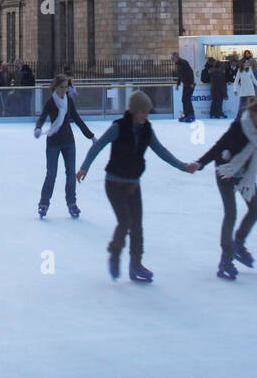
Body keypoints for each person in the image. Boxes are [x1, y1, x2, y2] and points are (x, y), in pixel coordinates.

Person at [77, 90, 193, 282]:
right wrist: (84, 167)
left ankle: (136, 264)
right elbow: (98, 146)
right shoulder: (119, 127)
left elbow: (161, 151)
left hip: (133, 185)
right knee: (125, 221)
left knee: (137, 225)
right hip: (114, 183)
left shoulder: (147, 129)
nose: (145, 116)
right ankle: (115, 253)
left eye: (147, 112)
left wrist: (182, 166)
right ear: (133, 110)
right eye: (142, 112)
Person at [189, 97, 257, 280]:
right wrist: (199, 163)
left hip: (245, 175)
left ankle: (238, 243)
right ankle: (226, 257)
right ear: (253, 114)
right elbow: (218, 147)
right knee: (231, 213)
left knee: (256, 210)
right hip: (226, 171)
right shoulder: (238, 127)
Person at [34, 75, 95, 219]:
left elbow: (77, 119)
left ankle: (72, 203)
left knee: (71, 174)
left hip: (68, 142)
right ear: (55, 87)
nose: (64, 90)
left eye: (66, 87)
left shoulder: (69, 102)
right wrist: (38, 128)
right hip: (53, 142)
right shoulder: (50, 103)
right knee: (51, 174)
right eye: (61, 87)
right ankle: (43, 204)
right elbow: (42, 117)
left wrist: (91, 136)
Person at [172, 52, 196, 123]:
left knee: (187, 99)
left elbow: (190, 72)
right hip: (186, 84)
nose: (172, 60)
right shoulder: (178, 65)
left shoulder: (183, 63)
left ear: (177, 57)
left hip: (189, 84)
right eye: (172, 58)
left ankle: (191, 115)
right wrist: (177, 84)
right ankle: (187, 115)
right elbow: (180, 76)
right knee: (184, 99)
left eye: (173, 58)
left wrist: (191, 82)